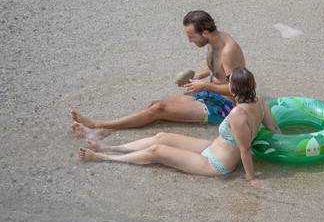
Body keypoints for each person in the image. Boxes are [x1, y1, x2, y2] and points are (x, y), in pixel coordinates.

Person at [78, 68, 281, 187]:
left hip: (216, 164)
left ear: (234, 88)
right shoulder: (260, 101)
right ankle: (109, 147)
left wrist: (252, 178)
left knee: (156, 151)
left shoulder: (238, 114)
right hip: (212, 147)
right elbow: (273, 128)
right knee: (161, 136)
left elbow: (244, 150)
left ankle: (104, 157)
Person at [70, 10, 246, 136]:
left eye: (192, 36)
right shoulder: (214, 40)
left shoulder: (228, 50)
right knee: (152, 105)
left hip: (224, 107)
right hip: (209, 93)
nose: (189, 40)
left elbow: (236, 89)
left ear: (205, 32)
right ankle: (106, 130)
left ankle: (97, 124)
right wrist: (199, 76)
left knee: (158, 110)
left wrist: (203, 85)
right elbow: (218, 67)